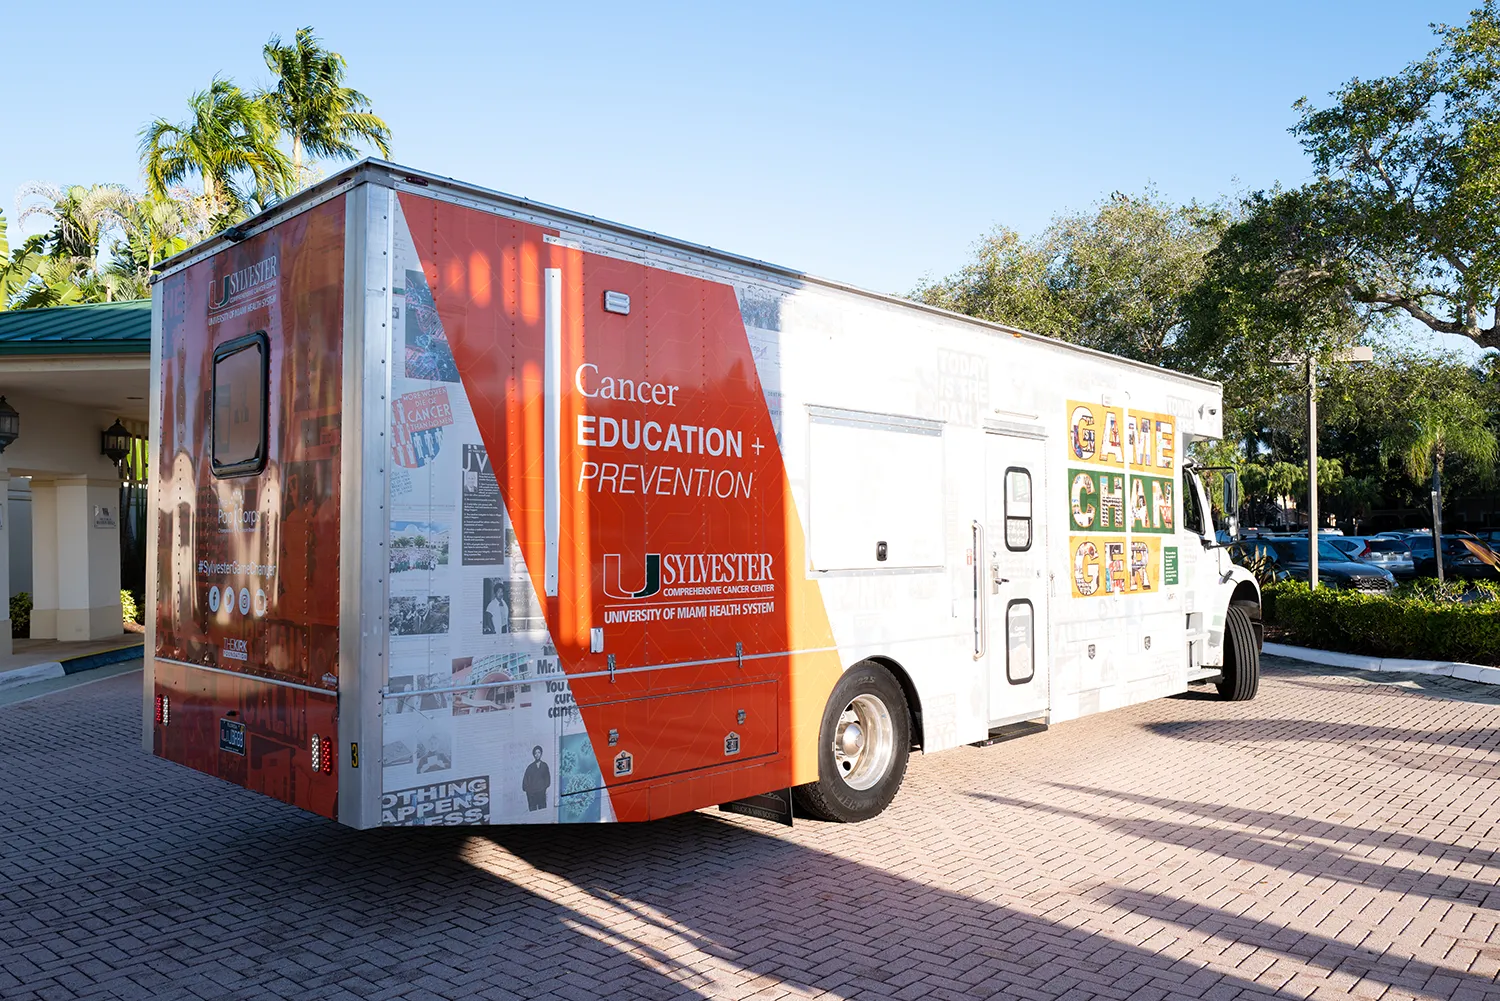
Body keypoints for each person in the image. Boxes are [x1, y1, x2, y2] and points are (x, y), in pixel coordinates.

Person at [522, 745, 550, 811]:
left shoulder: (544, 765)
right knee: (533, 811)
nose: (537, 755)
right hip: (532, 795)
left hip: (541, 793)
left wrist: (543, 788)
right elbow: (525, 781)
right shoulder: (530, 767)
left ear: (541, 753)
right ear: (533, 755)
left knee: (543, 810)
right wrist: (529, 791)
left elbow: (548, 779)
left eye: (539, 752)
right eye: (535, 753)